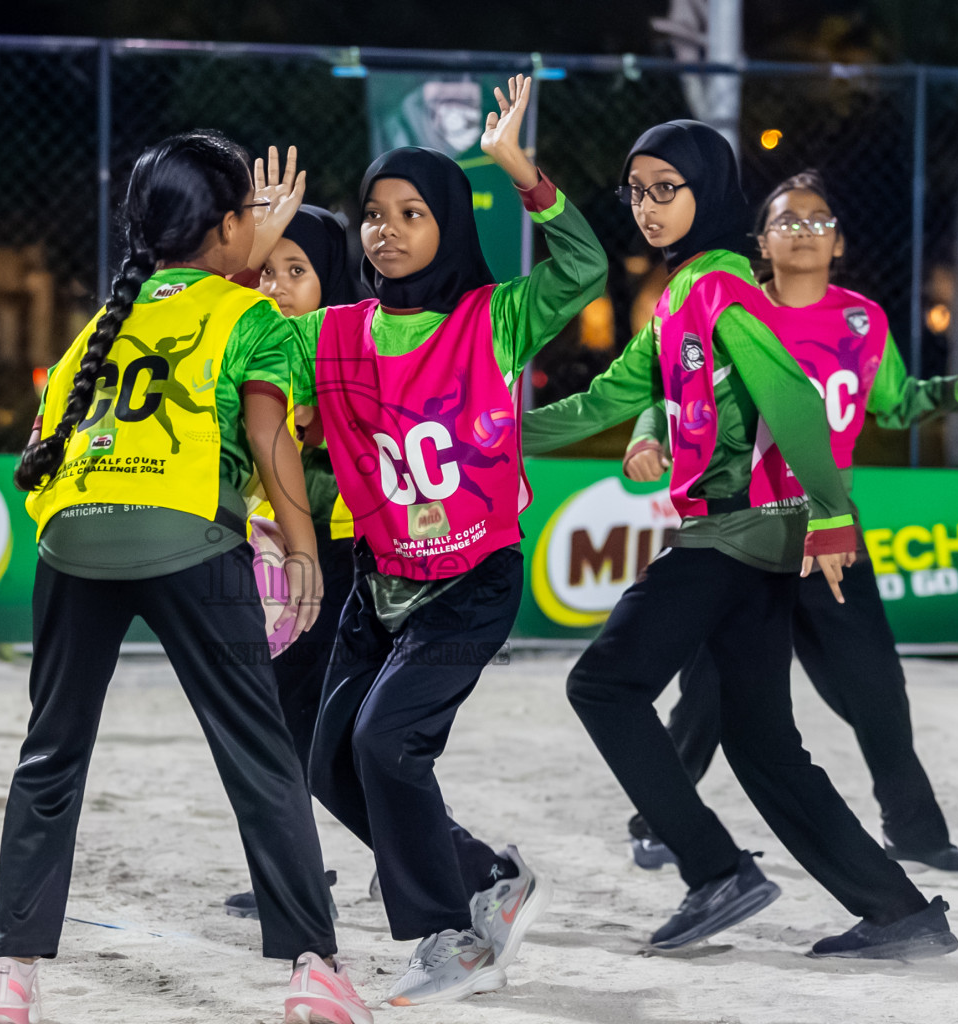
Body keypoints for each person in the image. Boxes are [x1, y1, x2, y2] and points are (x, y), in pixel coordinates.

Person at [523, 120, 958, 960]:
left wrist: (831, 514)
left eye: (666, 189)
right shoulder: (680, 294)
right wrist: (488, 433)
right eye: (636, 191)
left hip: (733, 528)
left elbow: (791, 395)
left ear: (710, 192)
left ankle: (714, 870)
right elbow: (604, 401)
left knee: (603, 686)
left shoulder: (720, 282)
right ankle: (900, 913)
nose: (647, 206)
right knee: (762, 743)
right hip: (746, 536)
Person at [0, 131, 373, 1024]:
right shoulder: (252, 318)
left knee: (51, 754)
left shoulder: (99, 325)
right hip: (187, 536)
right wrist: (303, 548)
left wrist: (244, 249)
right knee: (261, 753)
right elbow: (270, 438)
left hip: (71, 538)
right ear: (228, 227)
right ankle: (314, 967)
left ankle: (6, 974)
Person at [290, 76, 602, 1005]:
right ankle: (486, 878)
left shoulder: (492, 319)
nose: (385, 230)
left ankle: (452, 937)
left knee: (388, 744)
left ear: (450, 225)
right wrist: (261, 250)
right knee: (329, 763)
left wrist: (523, 173)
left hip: (471, 580)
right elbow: (250, 341)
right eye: (373, 215)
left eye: (411, 213)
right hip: (380, 582)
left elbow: (584, 269)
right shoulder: (335, 333)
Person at [621, 170, 958, 878]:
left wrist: (957, 391)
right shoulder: (728, 307)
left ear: (840, 243)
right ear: (761, 243)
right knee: (708, 694)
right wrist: (648, 437)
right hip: (743, 528)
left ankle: (915, 831)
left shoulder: (863, 320)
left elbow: (895, 402)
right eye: (786, 221)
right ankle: (658, 824)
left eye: (818, 220)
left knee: (877, 685)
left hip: (830, 532)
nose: (803, 231)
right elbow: (670, 386)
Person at [221, 205, 363, 922]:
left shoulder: (352, 352)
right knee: (286, 718)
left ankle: (432, 855)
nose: (276, 286)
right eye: (267, 271)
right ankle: (297, 874)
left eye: (296, 271)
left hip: (343, 555)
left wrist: (312, 425)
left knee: (306, 723)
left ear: (330, 279)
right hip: (280, 554)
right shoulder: (258, 349)